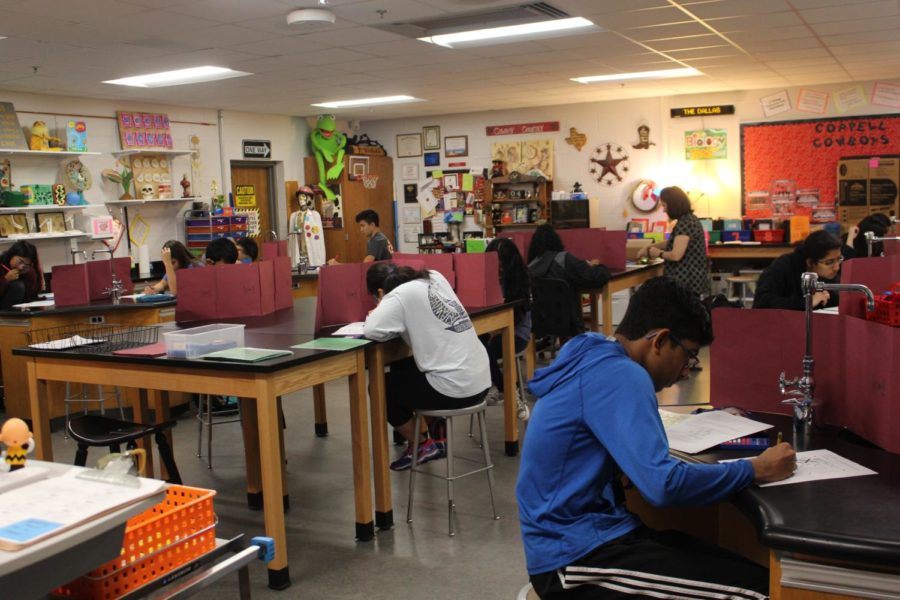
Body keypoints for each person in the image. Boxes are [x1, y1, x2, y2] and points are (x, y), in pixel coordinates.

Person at [517, 276, 796, 599]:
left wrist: (696, 423)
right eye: (689, 355)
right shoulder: (623, 374)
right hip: (575, 558)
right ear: (660, 341)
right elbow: (663, 485)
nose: (688, 370)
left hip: (593, 536)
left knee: (742, 569)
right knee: (762, 592)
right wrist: (756, 469)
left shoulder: (595, 351)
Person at [363, 263, 490, 471]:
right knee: (404, 367)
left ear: (380, 292)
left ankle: (421, 445)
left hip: (456, 390)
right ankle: (437, 431)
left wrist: (380, 307)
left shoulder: (397, 296)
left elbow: (372, 330)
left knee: (381, 388)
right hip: (481, 381)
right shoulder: (434, 277)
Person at [527, 224, 610, 340]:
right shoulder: (563, 259)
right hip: (570, 320)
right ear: (556, 240)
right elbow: (596, 278)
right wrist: (598, 266)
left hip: (541, 322)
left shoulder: (530, 267)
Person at [481, 238, 532, 420]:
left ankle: (508, 392)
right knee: (477, 346)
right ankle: (505, 389)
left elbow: (516, 316)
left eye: (502, 264)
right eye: (495, 264)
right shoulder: (487, 278)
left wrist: (494, 331)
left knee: (481, 349)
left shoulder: (518, 280)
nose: (499, 269)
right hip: (490, 331)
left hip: (516, 333)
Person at [637, 186, 710, 297]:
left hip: (686, 281)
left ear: (673, 205)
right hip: (693, 279)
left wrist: (657, 253)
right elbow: (674, 242)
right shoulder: (690, 219)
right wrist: (650, 246)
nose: (664, 210)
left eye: (664, 205)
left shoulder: (685, 224)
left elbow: (676, 255)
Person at [753, 230, 843, 310]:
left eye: (839, 259)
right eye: (829, 262)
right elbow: (762, 302)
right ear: (810, 262)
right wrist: (807, 302)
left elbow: (832, 300)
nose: (836, 267)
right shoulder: (783, 267)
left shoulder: (829, 273)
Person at [327, 209, 393, 264]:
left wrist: (337, 265)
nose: (361, 229)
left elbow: (363, 267)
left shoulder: (377, 240)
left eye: (363, 226)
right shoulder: (381, 237)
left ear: (372, 225)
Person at [0, 241, 42, 309]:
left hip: (22, 308)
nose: (21, 267)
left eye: (27, 264)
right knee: (18, 285)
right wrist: (5, 280)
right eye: (21, 261)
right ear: (12, 254)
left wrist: (28, 274)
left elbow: (32, 294)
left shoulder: (29, 270)